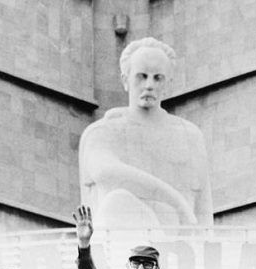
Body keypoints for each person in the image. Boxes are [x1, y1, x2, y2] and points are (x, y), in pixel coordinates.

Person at [78, 37, 213, 227]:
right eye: (142, 76)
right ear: (125, 80)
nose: (149, 85)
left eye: (158, 78)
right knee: (118, 202)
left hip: (179, 246)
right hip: (125, 244)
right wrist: (177, 202)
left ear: (168, 83)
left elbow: (203, 208)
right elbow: (105, 171)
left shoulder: (190, 135)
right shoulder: (103, 131)